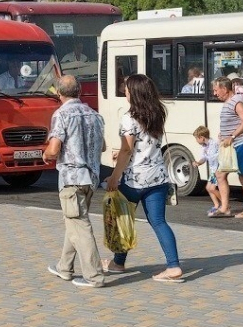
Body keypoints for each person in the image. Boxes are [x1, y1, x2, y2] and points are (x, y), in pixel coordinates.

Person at [104, 74, 184, 283]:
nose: (125, 92)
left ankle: (118, 262)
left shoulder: (129, 117)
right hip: (157, 177)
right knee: (158, 222)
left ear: (135, 92)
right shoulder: (157, 113)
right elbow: (145, 143)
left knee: (123, 219)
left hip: (134, 179)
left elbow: (127, 150)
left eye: (128, 89)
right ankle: (173, 266)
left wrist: (114, 177)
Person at [42, 75, 105, 288]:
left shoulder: (62, 114)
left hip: (71, 178)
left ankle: (93, 276)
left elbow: (54, 148)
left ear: (59, 93)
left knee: (80, 226)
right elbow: (102, 146)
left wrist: (46, 155)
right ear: (79, 91)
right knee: (75, 223)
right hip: (91, 179)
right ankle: (64, 267)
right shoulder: (94, 115)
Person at [210, 76, 243, 219]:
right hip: (229, 146)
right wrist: (223, 135)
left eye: (216, 90)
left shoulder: (237, 101)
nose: (215, 93)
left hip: (242, 143)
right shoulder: (228, 102)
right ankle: (224, 208)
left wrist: (232, 136)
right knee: (220, 174)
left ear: (225, 88)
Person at [192, 126, 221, 215]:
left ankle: (225, 204)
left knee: (211, 188)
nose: (196, 141)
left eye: (196, 138)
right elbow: (204, 158)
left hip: (217, 169)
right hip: (213, 170)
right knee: (208, 188)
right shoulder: (204, 146)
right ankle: (216, 205)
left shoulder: (213, 144)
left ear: (202, 137)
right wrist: (198, 163)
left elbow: (213, 156)